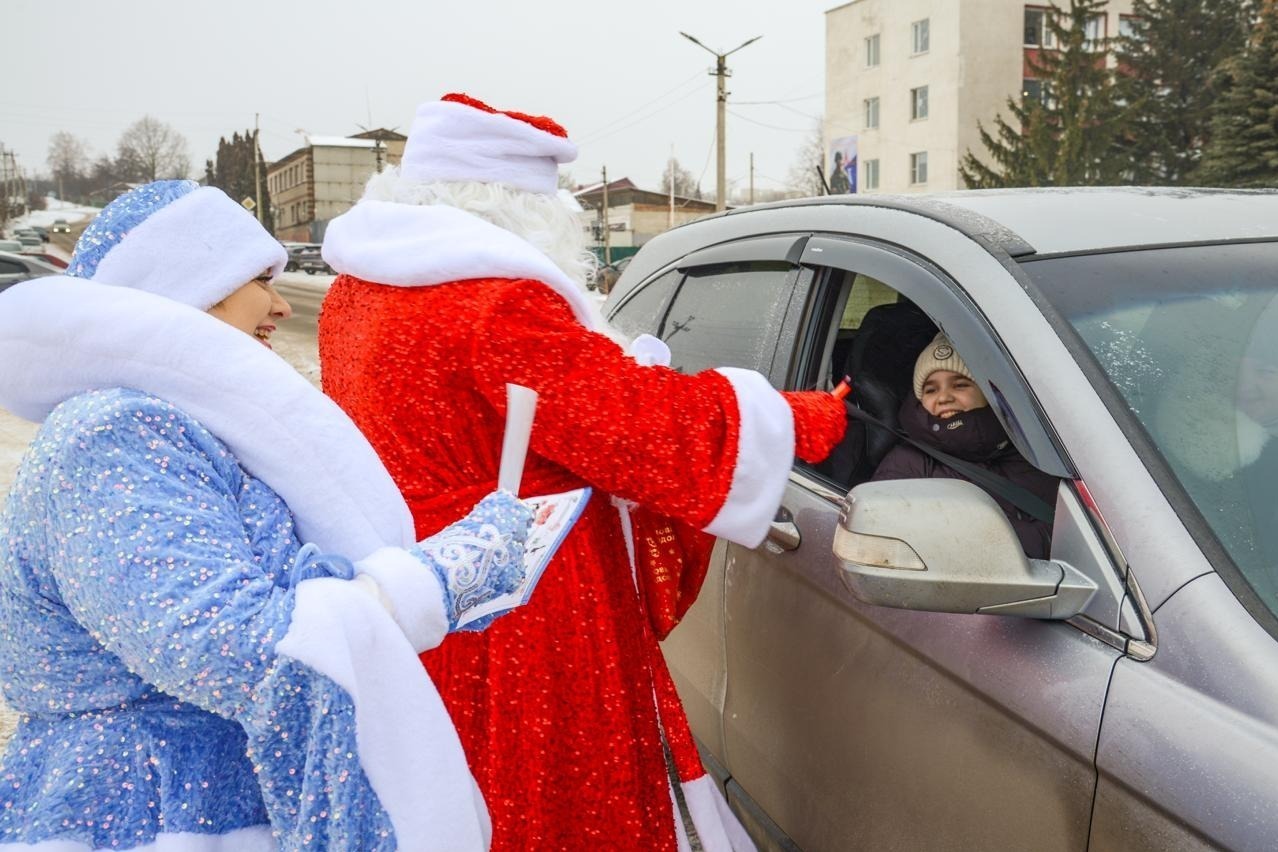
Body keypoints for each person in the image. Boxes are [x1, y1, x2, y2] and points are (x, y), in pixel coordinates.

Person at [317, 93, 848, 850]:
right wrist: (799, 419)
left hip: (419, 587)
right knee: (549, 800)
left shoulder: (356, 291)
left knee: (450, 795)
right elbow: (641, 430)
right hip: (521, 605)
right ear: (514, 201)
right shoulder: (497, 303)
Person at [0, 180, 533, 851]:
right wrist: (430, 582)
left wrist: (448, 573)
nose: (281, 304)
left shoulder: (174, 424)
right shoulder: (117, 434)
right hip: (145, 811)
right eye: (260, 278)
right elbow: (221, 645)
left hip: (200, 799)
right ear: (191, 281)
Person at [872, 333, 1058, 559]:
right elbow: (888, 550)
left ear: (988, 394)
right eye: (931, 390)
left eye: (960, 385)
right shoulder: (907, 465)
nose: (943, 398)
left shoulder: (1037, 453)